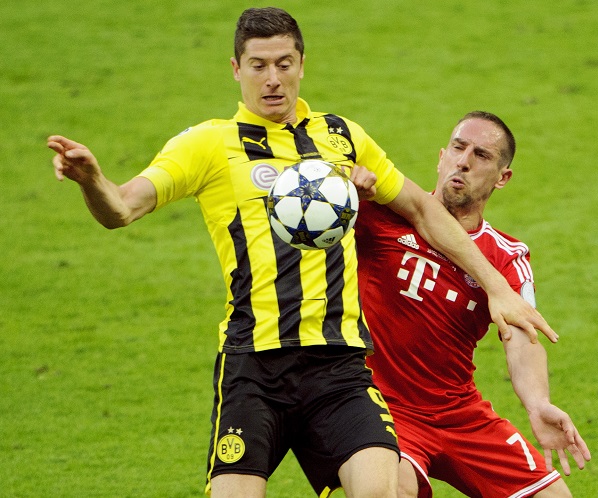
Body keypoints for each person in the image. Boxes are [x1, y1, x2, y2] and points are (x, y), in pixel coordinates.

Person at [47, 7, 556, 498]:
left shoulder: (341, 137)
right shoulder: (207, 145)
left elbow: (424, 209)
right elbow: (121, 208)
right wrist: (92, 180)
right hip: (253, 364)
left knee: (381, 490)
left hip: (337, 365)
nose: (273, 80)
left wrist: (497, 287)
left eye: (284, 64)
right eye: (259, 66)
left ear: (302, 65)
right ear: (236, 69)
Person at [355, 111, 591, 498]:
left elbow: (522, 336)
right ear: (441, 156)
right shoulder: (383, 214)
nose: (463, 161)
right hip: (382, 406)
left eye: (481, 155)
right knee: (391, 489)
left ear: (502, 177)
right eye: (458, 147)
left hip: (460, 414)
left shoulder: (507, 257)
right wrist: (346, 187)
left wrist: (538, 403)